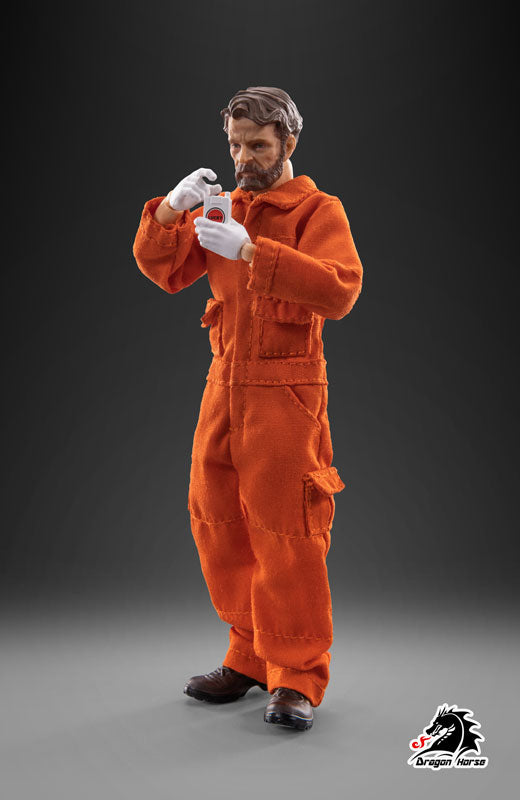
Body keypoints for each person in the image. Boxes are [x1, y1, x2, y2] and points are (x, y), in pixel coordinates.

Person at [132, 86, 363, 731]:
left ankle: (297, 675)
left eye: (257, 145)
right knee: (218, 519)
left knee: (287, 532)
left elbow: (339, 290)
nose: (243, 158)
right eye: (235, 145)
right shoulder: (224, 208)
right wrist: (171, 210)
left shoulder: (317, 210)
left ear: (289, 142)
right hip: (224, 385)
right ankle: (249, 655)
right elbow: (163, 269)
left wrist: (251, 252)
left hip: (286, 392)